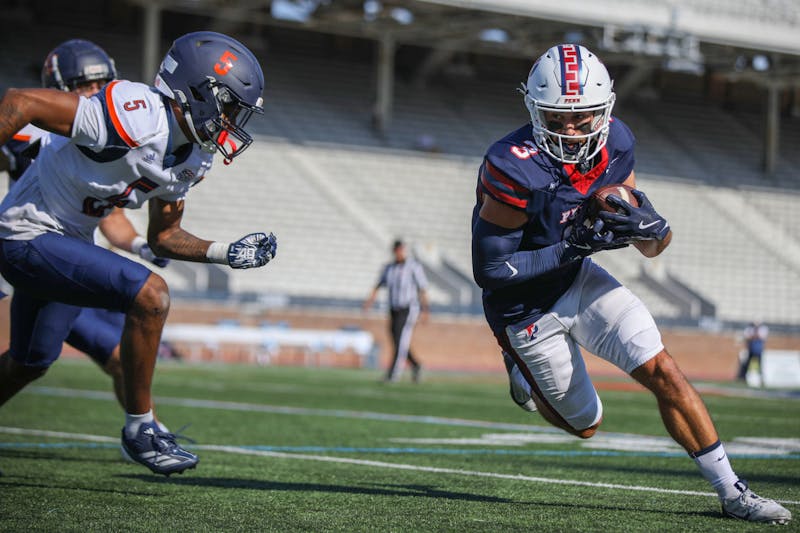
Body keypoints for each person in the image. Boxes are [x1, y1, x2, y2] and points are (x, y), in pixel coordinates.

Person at [470, 44, 790, 524]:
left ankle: (733, 492)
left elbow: (650, 244)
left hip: (578, 280)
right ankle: (522, 373)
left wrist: (653, 227)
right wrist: (572, 246)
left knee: (665, 371)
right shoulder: (513, 165)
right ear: (535, 111)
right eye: (559, 119)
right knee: (586, 425)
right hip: (523, 308)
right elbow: (491, 271)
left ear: (605, 110)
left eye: (582, 118)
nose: (571, 131)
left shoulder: (615, 143)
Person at [0, 31, 277, 476]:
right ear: (197, 91)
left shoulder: (193, 156)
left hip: (65, 243)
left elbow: (165, 237)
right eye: (228, 106)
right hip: (25, 233)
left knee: (28, 363)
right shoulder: (136, 115)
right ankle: (140, 429)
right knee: (151, 295)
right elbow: (22, 102)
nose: (230, 121)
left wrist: (226, 252)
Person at [0, 38, 172, 428]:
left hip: (73, 260)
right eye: (84, 85)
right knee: (28, 362)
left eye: (102, 83)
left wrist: (142, 246)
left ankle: (148, 432)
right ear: (59, 87)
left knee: (39, 364)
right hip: (34, 252)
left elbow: (108, 215)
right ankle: (147, 433)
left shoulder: (107, 139)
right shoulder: (28, 131)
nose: (95, 92)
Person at [363, 239, 429, 383]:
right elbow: (378, 285)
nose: (399, 253)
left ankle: (393, 374)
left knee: (400, 340)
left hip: (408, 308)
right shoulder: (389, 268)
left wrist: (425, 310)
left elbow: (422, 288)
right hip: (394, 309)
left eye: (400, 250)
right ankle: (416, 365)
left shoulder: (413, 267)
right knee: (397, 340)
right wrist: (369, 301)